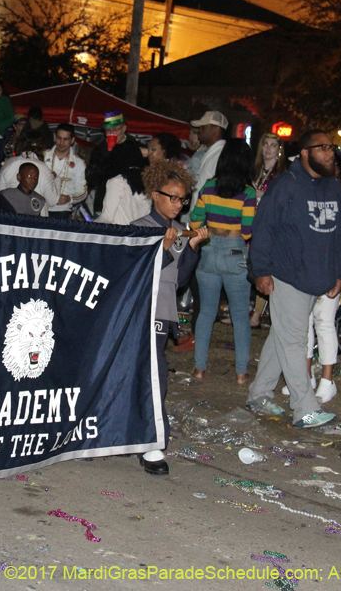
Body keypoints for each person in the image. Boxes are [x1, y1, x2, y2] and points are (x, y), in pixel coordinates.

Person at [244, 130, 341, 429]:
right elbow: (262, 230)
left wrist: (340, 273)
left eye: (333, 148)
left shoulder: (333, 188)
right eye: (324, 148)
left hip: (316, 276)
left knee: (282, 335)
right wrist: (261, 271)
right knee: (294, 340)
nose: (331, 153)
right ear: (305, 153)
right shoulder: (285, 186)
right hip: (286, 273)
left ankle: (259, 393)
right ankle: (304, 407)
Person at [132, 160, 209, 474]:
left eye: (183, 199)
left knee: (153, 373)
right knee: (151, 373)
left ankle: (148, 441)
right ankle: (149, 441)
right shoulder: (140, 227)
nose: (179, 204)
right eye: (172, 197)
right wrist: (164, 248)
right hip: (140, 310)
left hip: (162, 309)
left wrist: (190, 246)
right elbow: (138, 273)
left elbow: (177, 279)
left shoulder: (177, 231)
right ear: (154, 194)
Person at [189, 139, 257, 386]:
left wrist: (211, 227)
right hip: (234, 254)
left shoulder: (208, 187)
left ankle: (199, 369)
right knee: (240, 316)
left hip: (208, 251)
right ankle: (241, 373)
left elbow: (195, 222)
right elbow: (248, 232)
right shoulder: (248, 193)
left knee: (206, 313)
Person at [249, 132, 287, 328]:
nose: (269, 149)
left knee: (264, 266)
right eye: (266, 144)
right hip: (250, 221)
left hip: (269, 224)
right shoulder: (255, 170)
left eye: (273, 145)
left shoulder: (281, 175)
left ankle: (258, 315)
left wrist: (259, 193)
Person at [0, 132, 59, 211]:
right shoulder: (43, 168)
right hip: (36, 216)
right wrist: (57, 180)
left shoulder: (9, 164)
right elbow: (52, 201)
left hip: (12, 214)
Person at [187, 110, 228, 215]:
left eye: (203, 127)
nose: (199, 130)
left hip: (207, 218)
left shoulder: (220, 155)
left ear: (216, 129)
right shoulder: (210, 152)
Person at [43, 124, 87, 218]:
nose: (61, 142)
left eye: (65, 139)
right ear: (55, 137)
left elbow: (83, 191)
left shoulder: (79, 163)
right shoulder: (43, 156)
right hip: (42, 206)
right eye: (59, 138)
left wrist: (69, 198)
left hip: (63, 210)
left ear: (72, 140)